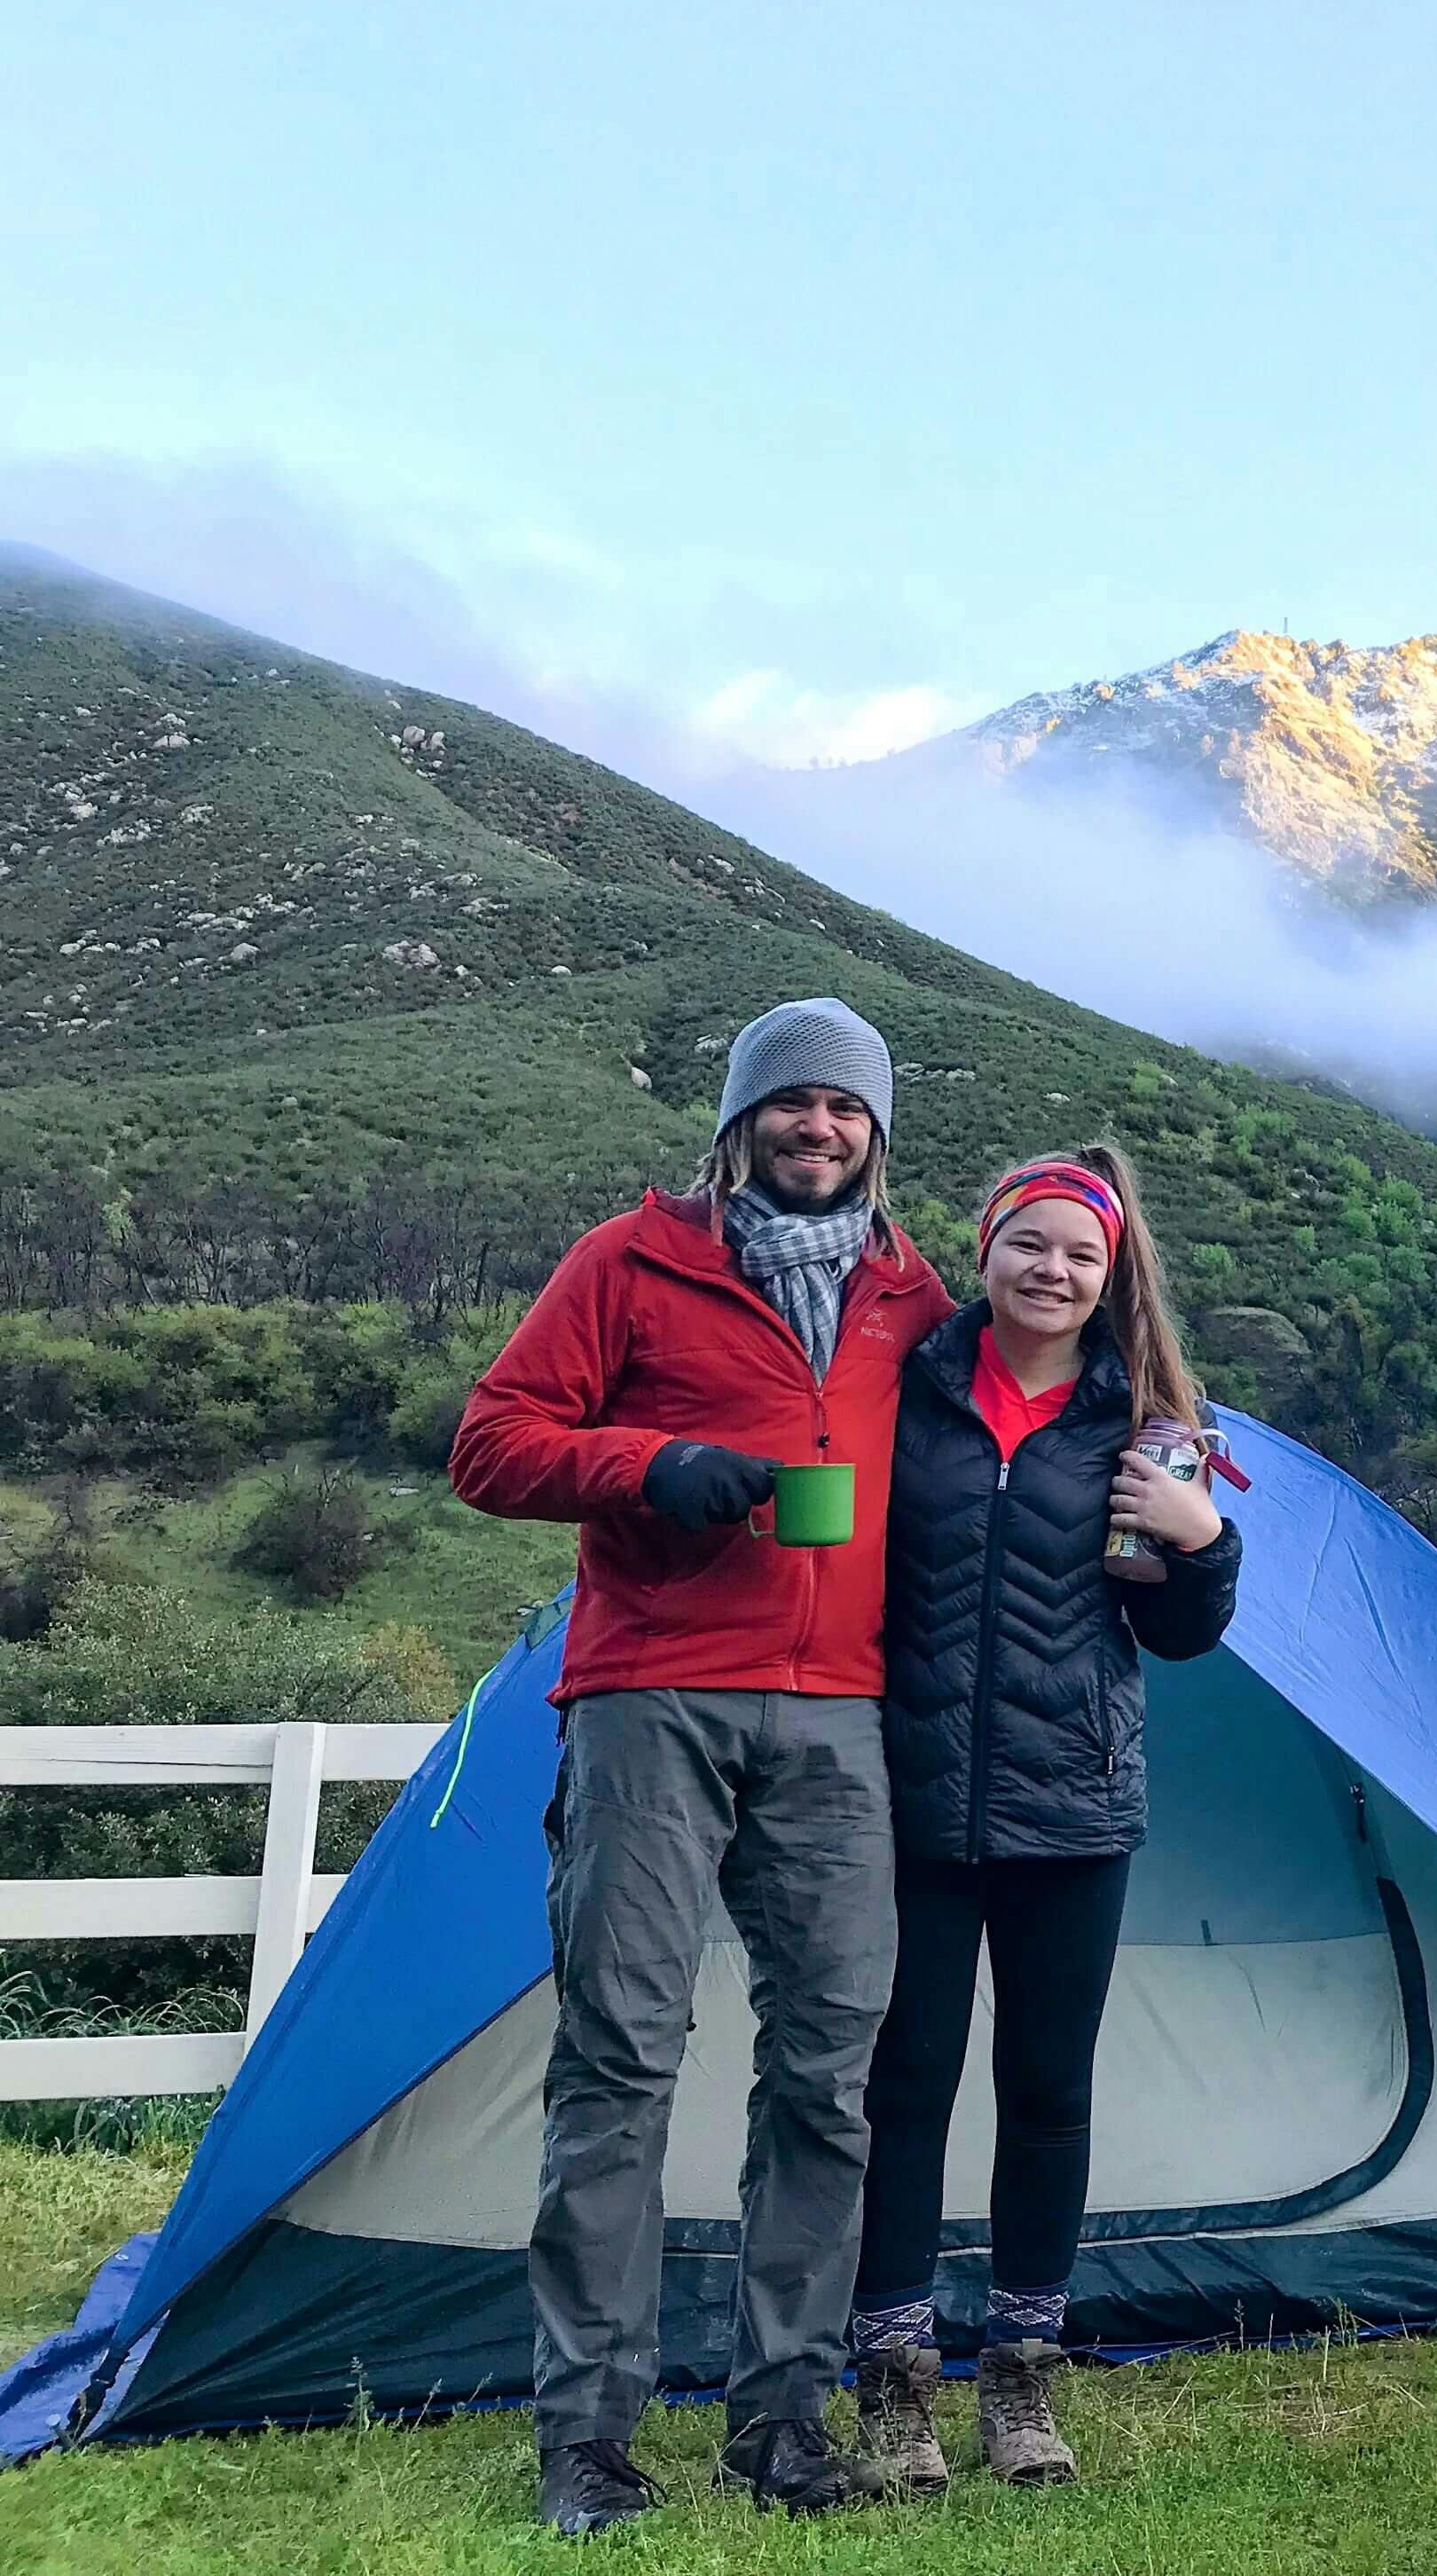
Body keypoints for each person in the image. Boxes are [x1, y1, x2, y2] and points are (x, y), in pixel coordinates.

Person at [449, 998, 949, 2536]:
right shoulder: (630, 1260)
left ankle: (783, 2419)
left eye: (847, 1110)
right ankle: (587, 2437)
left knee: (830, 2074)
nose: (821, 1129)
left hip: (842, 1710)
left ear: (877, 1135)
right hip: (650, 1694)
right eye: (793, 1104)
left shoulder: (913, 1296)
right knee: (620, 2057)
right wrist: (650, 1464)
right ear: (742, 1121)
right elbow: (491, 1442)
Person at [849, 1148, 1241, 2493]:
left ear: (1109, 1272)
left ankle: (1022, 2384)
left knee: (1047, 2094)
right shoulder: (906, 1391)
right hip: (908, 1803)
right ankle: (894, 2389)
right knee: (903, 2091)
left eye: (1081, 1254)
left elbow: (1178, 1635)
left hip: (1072, 1812)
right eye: (1032, 1244)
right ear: (988, 1246)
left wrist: (1201, 1539)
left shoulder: (1142, 1426)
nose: (1054, 1271)